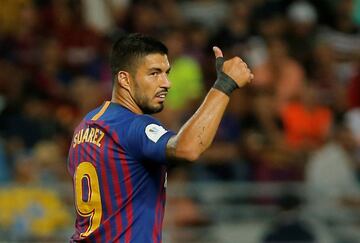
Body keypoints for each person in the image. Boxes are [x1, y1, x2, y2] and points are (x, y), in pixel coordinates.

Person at [67, 33, 253, 242]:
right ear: (124, 79)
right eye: (154, 73)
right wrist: (225, 85)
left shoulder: (85, 127)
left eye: (167, 73)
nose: (167, 83)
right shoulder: (135, 126)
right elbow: (188, 148)